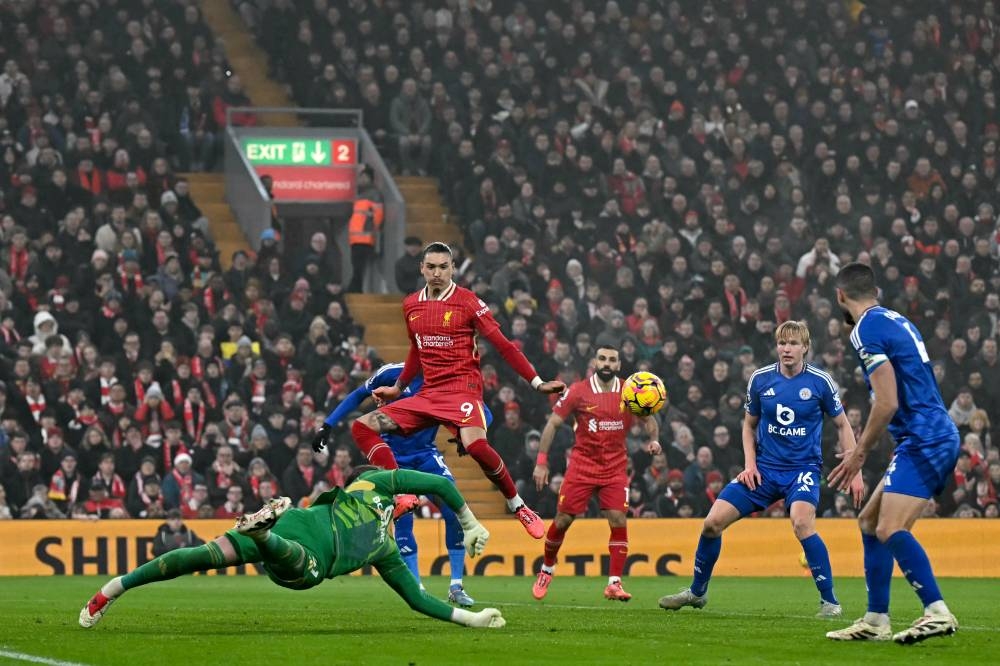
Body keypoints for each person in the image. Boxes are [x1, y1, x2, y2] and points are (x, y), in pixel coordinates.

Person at [79, 467, 504, 630]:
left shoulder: (386, 549)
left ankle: (264, 533)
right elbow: (437, 484)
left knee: (223, 556)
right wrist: (466, 521)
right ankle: (114, 588)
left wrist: (473, 619)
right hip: (299, 535)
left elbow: (417, 599)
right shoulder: (372, 486)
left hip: (296, 543)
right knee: (201, 556)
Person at [346, 242, 564, 538]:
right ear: (422, 268)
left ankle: (518, 505)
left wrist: (536, 382)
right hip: (428, 395)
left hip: (463, 390)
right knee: (362, 427)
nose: (437, 273)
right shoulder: (411, 304)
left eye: (443, 267)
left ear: (452, 269)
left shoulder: (468, 302)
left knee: (475, 446)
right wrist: (398, 388)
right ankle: (400, 496)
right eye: (431, 267)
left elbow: (504, 346)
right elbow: (416, 350)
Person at [659, 321, 863, 617]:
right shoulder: (760, 379)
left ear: (805, 347)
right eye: (782, 343)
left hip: (802, 470)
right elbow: (748, 425)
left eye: (793, 343)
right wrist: (750, 465)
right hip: (764, 470)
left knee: (802, 524)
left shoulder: (821, 381)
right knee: (712, 523)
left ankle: (830, 603)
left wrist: (855, 471)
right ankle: (697, 592)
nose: (786, 349)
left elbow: (843, 425)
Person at [826, 263, 960, 644]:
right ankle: (875, 619)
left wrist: (858, 453)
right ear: (876, 291)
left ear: (840, 296)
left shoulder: (865, 329)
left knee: (889, 528)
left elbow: (886, 402)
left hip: (925, 438)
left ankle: (936, 610)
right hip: (929, 433)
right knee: (869, 523)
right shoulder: (897, 320)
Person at [312, 361, 494, 607]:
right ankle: (416, 586)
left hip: (427, 454)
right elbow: (357, 395)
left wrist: (468, 435)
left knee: (453, 512)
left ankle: (456, 586)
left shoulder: (447, 379)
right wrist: (328, 424)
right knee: (404, 517)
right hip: (393, 456)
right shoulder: (391, 374)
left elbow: (484, 412)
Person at [530, 346, 660, 601]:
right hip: (582, 465)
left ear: (619, 364)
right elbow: (553, 423)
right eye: (602, 358)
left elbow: (649, 418)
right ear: (594, 362)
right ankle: (547, 567)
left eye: (612, 359)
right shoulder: (578, 391)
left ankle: (614, 583)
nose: (607, 363)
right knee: (563, 520)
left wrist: (655, 440)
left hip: (614, 467)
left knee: (618, 519)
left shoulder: (629, 390)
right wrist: (541, 462)